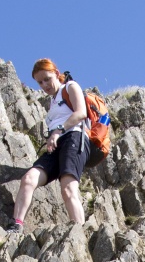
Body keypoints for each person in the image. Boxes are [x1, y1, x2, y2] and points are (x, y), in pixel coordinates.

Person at [11, 60, 90, 228]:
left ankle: (78, 232)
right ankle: (16, 225)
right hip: (56, 144)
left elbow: (81, 113)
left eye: (47, 79)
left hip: (74, 138)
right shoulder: (53, 101)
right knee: (28, 179)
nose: (44, 85)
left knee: (68, 189)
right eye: (40, 82)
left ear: (56, 72)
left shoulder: (70, 87)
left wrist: (58, 131)